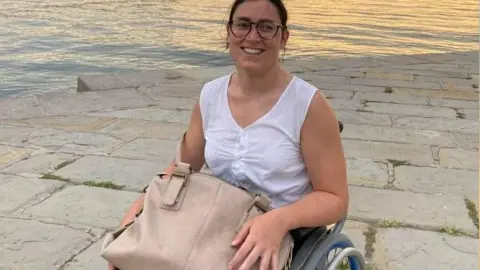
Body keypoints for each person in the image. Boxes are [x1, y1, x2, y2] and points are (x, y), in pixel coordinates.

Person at [109, 0, 348, 269]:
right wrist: (139, 211)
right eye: (243, 25)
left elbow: (334, 197)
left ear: (284, 38)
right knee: (135, 256)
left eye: (266, 27)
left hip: (281, 230)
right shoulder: (210, 95)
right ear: (229, 33)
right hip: (214, 217)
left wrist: (279, 220)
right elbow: (182, 167)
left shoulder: (308, 105)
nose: (253, 36)